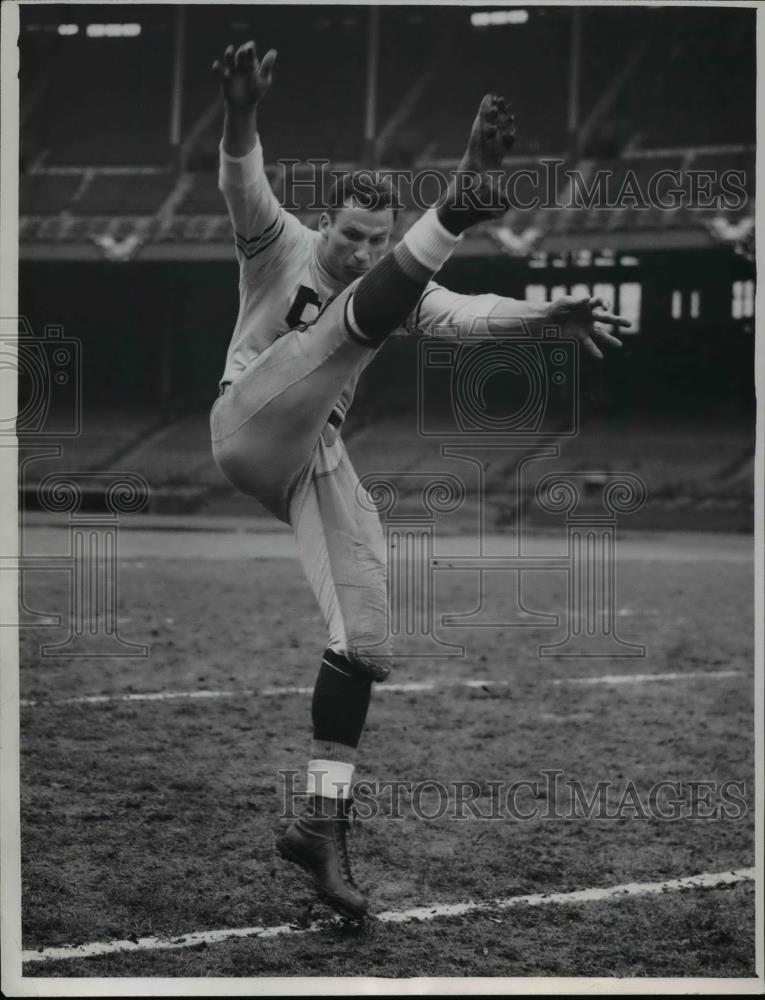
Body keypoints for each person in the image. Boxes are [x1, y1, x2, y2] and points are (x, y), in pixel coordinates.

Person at [210, 39, 628, 921]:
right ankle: (456, 208)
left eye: (374, 241)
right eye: (351, 237)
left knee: (364, 638)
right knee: (344, 335)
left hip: (306, 458)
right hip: (249, 418)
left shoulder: (383, 289)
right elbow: (242, 180)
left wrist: (546, 313)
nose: (359, 250)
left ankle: (319, 828)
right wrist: (241, 109)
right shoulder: (276, 244)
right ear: (325, 226)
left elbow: (467, 315)